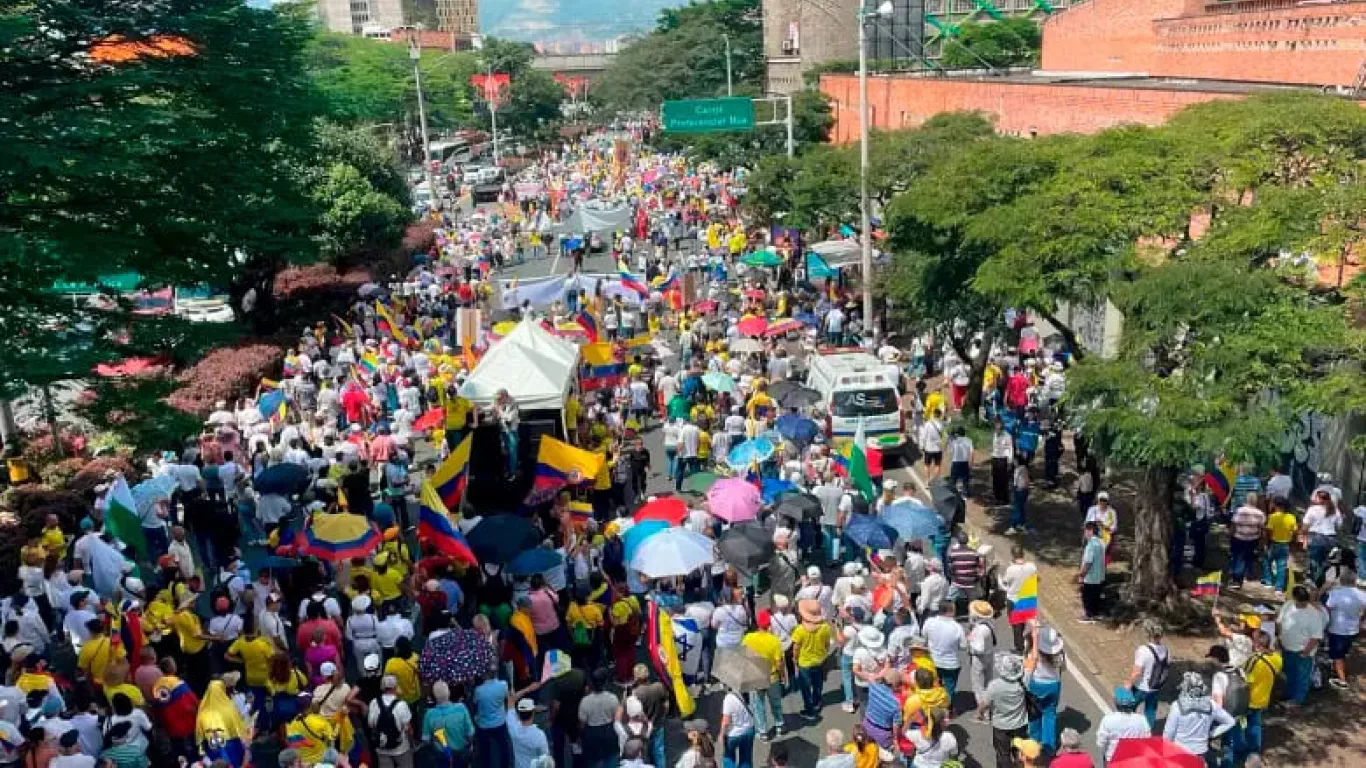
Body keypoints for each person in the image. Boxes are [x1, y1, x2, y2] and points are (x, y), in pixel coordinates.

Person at [1162, 672, 1235, 762]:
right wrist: (1212, 733)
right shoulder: (1211, 705)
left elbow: (1169, 732)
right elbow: (1230, 722)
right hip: (1201, 752)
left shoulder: (1177, 706)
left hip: (1180, 751)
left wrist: (1165, 752)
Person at [977, 653, 1030, 768]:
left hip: (1001, 725)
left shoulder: (994, 686)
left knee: (1003, 754)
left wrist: (980, 713)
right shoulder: (1024, 681)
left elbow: (984, 704)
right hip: (1020, 723)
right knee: (1019, 752)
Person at [1276, 585, 1326, 707]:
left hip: (1302, 652)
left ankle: (1297, 700)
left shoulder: (1314, 615)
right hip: (1286, 648)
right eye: (1299, 601)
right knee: (1288, 672)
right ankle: (1288, 693)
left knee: (1301, 677)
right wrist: (1279, 636)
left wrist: (1305, 652)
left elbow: (1316, 637)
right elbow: (1279, 622)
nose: (1301, 604)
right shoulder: (1288, 605)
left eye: (1304, 602)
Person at [1024, 624, 1064, 754]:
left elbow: (1027, 669)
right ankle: (1049, 747)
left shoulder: (1032, 653)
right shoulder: (1060, 655)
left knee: (1034, 715)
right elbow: (1063, 669)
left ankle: (1034, 742)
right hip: (1053, 685)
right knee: (1049, 715)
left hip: (1036, 685)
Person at [1324, 569, 1365, 690]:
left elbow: (1328, 609)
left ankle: (1342, 680)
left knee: (1338, 655)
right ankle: (1336, 667)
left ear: (1341, 580)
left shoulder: (1335, 594)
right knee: (1343, 650)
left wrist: (1326, 622)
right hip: (1353, 629)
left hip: (1337, 629)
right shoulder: (1362, 594)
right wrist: (1362, 619)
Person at [922, 601, 965, 708]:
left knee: (933, 686)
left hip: (933, 661)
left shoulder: (929, 622)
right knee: (949, 689)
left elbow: (924, 637)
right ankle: (946, 711)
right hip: (951, 664)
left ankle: (933, 707)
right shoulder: (957, 627)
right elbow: (964, 646)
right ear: (949, 611)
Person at [1127, 620, 1169, 729]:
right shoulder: (1166, 650)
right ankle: (1147, 733)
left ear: (1148, 634)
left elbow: (1137, 672)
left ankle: (1129, 729)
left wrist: (1128, 685)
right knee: (1150, 712)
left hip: (1140, 688)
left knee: (1129, 708)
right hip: (1155, 688)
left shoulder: (1143, 650)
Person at [423, 681, 474, 768]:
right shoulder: (461, 708)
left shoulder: (429, 714)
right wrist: (469, 745)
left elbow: (426, 739)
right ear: (449, 693)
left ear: (434, 696)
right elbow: (470, 733)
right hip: (460, 750)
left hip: (441, 753)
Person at [369, 675, 415, 768]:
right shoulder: (402, 705)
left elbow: (371, 724)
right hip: (401, 748)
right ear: (396, 687)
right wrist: (412, 741)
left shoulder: (374, 703)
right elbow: (408, 728)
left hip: (381, 747)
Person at [1094, 687, 1150, 763]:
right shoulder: (1142, 719)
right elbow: (1147, 739)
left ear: (1116, 702)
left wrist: (1106, 753)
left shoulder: (1108, 719)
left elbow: (1101, 742)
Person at [579, 668, 621, 768]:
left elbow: (582, 724)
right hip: (609, 733)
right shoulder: (613, 698)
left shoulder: (585, 701)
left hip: (592, 736)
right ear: (605, 682)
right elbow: (617, 719)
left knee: (594, 763)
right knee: (611, 762)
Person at [1000, 546, 1037, 652]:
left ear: (1013, 556)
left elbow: (1005, 582)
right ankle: (1028, 644)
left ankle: (1019, 648)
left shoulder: (1011, 569)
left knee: (1016, 626)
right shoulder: (1031, 566)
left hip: (1014, 600)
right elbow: (1036, 578)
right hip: (1028, 599)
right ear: (1023, 554)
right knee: (1026, 623)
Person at [718, 683, 756, 768]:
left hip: (733, 734)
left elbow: (726, 721)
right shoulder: (751, 692)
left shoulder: (729, 698)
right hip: (749, 729)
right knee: (746, 759)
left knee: (729, 757)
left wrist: (721, 734)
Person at [1077, 522, 1106, 623]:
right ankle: (1095, 614)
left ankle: (1088, 615)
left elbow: (1088, 562)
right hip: (1100, 576)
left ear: (1090, 531)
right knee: (1096, 596)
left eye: (1085, 530)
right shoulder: (1101, 543)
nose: (1084, 533)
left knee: (1087, 596)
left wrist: (1081, 574)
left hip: (1090, 576)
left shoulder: (1091, 545)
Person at [508, 698, 549, 768]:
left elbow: (510, 709)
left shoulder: (512, 727)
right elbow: (544, 757)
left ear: (518, 714)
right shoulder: (539, 735)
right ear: (533, 713)